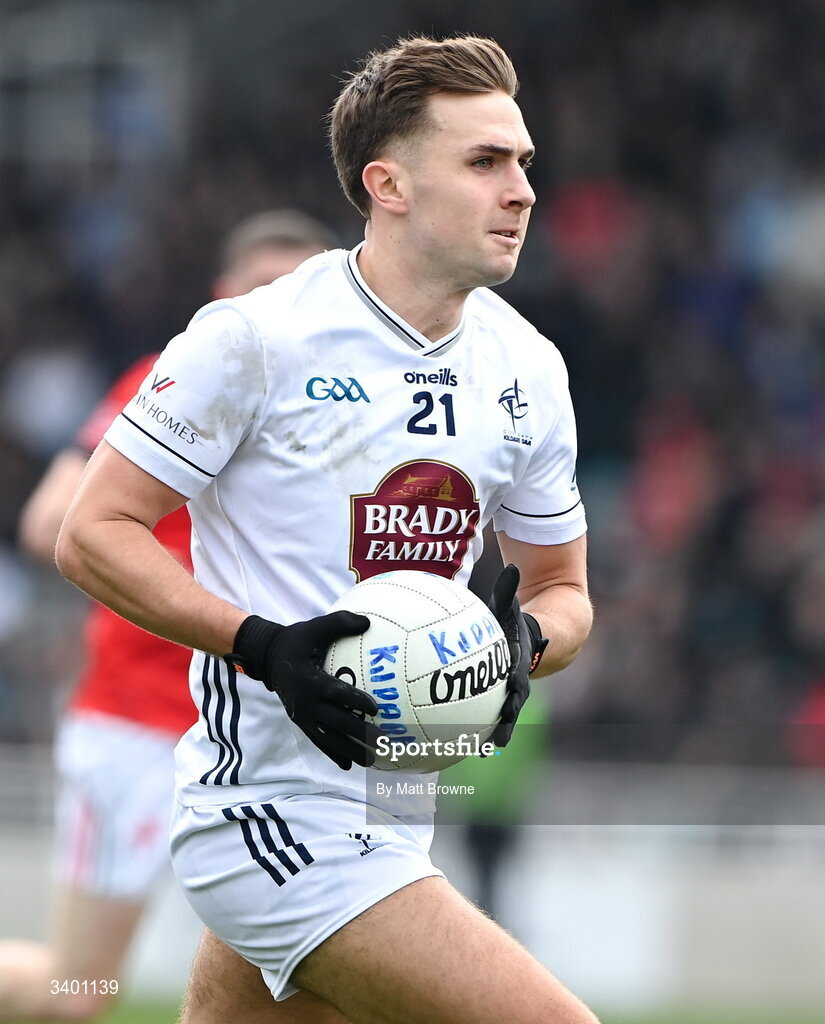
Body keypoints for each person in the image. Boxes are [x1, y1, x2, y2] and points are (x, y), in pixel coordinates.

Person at [56, 34, 598, 1024]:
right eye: (485, 162)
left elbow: (565, 589)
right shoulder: (257, 338)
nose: (521, 189)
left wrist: (523, 644)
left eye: (523, 162)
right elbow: (91, 532)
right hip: (270, 815)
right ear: (388, 184)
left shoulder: (528, 368)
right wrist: (263, 646)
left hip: (396, 810)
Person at [0, 208, 338, 1022]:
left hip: (280, 735)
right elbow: (53, 522)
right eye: (261, 290)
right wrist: (219, 597)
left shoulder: (349, 410)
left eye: (300, 292)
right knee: (75, 997)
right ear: (221, 299)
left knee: (317, 992)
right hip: (141, 723)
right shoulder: (176, 377)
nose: (279, 311)